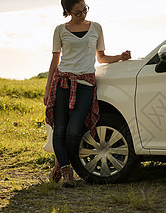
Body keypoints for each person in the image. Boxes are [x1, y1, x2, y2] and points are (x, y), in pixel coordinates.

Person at [44, 0, 131, 187]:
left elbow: (101, 57)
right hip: (63, 83)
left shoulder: (96, 28)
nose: (83, 14)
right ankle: (68, 174)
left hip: (86, 84)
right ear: (67, 12)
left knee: (74, 129)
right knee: (59, 130)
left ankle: (61, 161)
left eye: (85, 9)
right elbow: (54, 61)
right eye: (77, 12)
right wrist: (47, 88)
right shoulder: (60, 30)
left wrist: (120, 57)